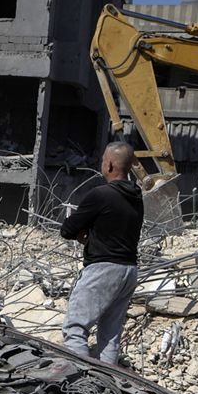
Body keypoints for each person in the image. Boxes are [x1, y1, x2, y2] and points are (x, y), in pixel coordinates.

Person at [59, 142, 143, 365]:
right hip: (129, 271)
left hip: (103, 269)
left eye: (104, 160)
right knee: (110, 335)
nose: (101, 163)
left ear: (111, 164)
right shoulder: (137, 197)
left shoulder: (101, 195)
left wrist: (83, 232)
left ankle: (78, 382)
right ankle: (107, 383)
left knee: (75, 328)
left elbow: (67, 229)